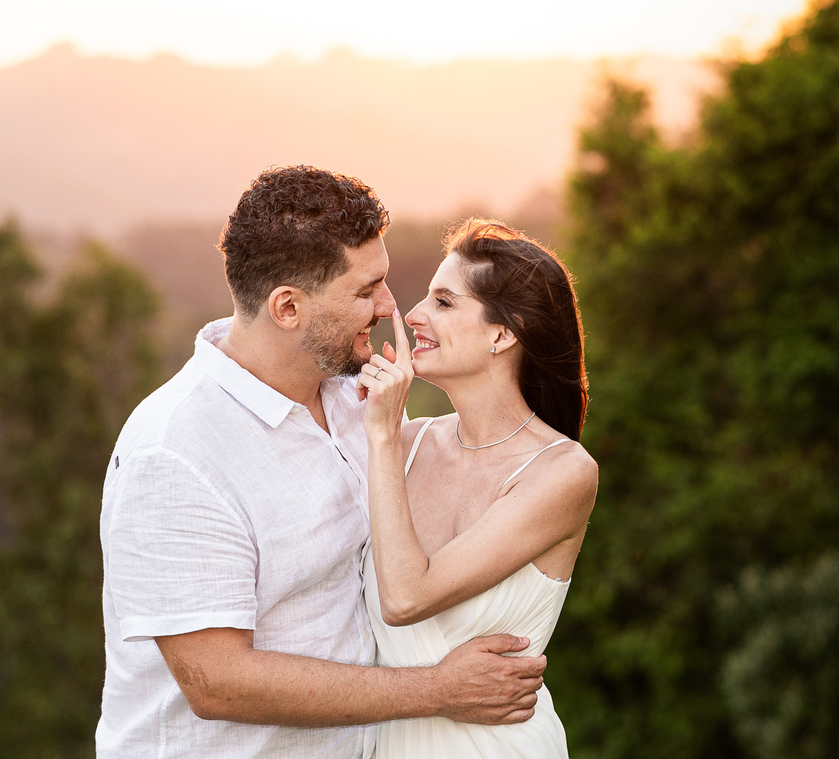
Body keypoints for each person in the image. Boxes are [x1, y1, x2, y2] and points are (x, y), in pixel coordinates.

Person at [97, 167, 545, 759]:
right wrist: (437, 691)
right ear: (287, 307)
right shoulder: (176, 451)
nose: (390, 307)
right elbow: (218, 683)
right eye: (366, 291)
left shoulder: (356, 401)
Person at [355, 218, 599, 757]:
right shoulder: (407, 444)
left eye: (443, 302)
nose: (412, 315)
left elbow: (404, 598)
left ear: (502, 333)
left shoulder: (562, 472)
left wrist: (380, 435)